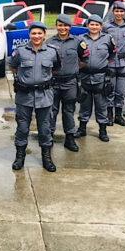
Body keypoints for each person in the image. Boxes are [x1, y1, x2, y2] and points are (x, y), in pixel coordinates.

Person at [9, 22, 60, 172]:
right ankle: (19, 158)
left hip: (44, 95)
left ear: (44, 35)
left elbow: (56, 69)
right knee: (22, 127)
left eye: (39, 33)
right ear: (29, 35)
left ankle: (47, 158)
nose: (36, 36)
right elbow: (13, 66)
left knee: (45, 128)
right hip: (24, 96)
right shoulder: (21, 51)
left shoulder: (52, 52)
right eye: (33, 33)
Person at [46, 14, 87, 152]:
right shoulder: (49, 42)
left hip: (70, 82)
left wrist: (72, 69)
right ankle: (49, 137)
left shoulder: (77, 42)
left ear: (69, 27)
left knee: (69, 111)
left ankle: (69, 138)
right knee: (51, 111)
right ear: (56, 26)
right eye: (60, 25)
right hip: (53, 83)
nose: (62, 28)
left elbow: (83, 60)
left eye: (65, 25)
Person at [75, 15, 116, 142]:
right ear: (87, 25)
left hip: (101, 77)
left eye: (97, 25)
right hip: (85, 76)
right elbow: (77, 56)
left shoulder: (108, 39)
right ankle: (82, 129)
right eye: (91, 24)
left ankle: (102, 131)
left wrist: (101, 65)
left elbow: (112, 54)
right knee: (84, 104)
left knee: (101, 105)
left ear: (101, 26)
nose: (94, 27)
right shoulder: (80, 39)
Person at [102, 2, 125, 127]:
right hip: (110, 62)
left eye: (121, 11)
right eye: (117, 11)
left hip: (124, 63)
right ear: (113, 12)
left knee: (121, 91)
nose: (119, 14)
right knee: (110, 90)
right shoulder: (106, 26)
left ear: (124, 12)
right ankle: (109, 115)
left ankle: (118, 115)